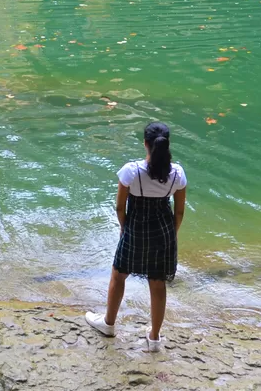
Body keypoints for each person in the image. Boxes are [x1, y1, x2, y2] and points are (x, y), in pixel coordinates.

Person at [85, 122, 187, 353]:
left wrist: (124, 229)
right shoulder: (177, 173)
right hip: (164, 229)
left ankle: (108, 323)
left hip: (136, 226)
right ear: (167, 144)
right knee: (158, 283)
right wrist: (172, 233)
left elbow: (120, 207)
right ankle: (154, 338)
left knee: (119, 274)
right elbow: (179, 211)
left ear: (145, 144)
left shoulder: (131, 171)